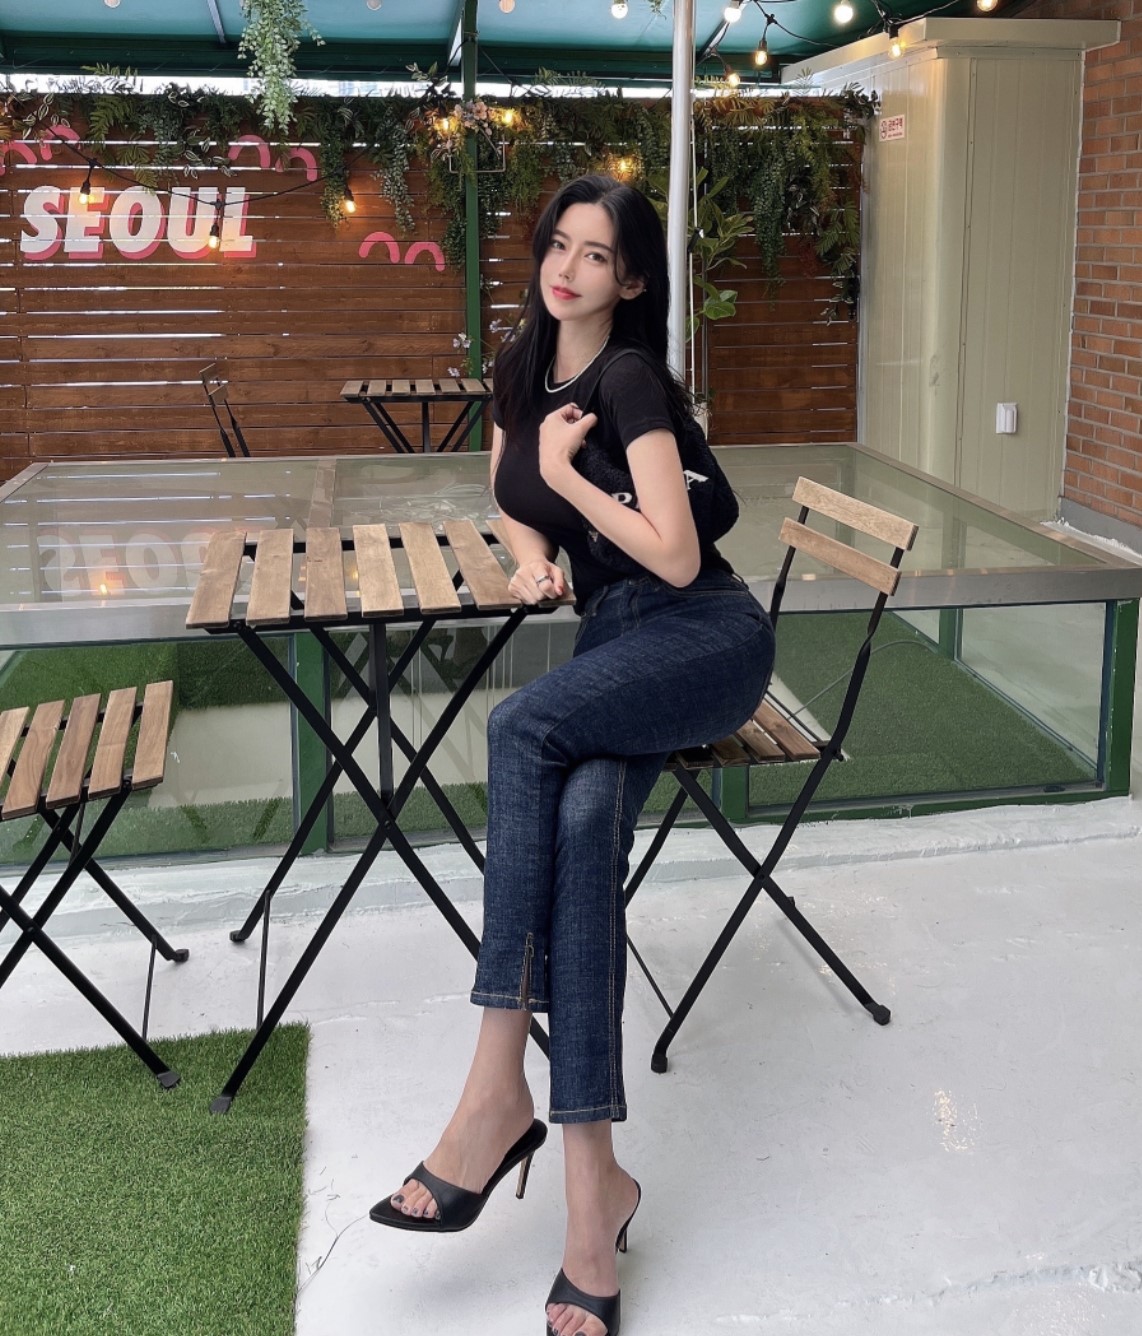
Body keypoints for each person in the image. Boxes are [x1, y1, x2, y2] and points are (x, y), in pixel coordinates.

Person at [370, 174, 775, 1336]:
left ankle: (493, 1090)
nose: (568, 268)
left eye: (596, 255)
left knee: (517, 724)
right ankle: (594, 1196)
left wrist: (561, 478)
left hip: (700, 637)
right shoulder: (520, 368)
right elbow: (506, 489)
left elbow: (676, 553)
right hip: (613, 640)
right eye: (559, 244)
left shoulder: (628, 380)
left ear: (629, 278)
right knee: (586, 820)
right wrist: (527, 549)